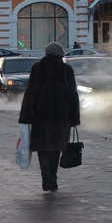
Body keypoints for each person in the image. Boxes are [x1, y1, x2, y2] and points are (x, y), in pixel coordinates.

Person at [18, 42, 80, 192]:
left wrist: (26, 115)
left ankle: (46, 177)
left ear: (46, 53)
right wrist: (74, 117)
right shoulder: (66, 69)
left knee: (43, 148)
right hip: (61, 117)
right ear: (61, 54)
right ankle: (53, 177)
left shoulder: (38, 68)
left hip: (41, 116)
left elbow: (31, 92)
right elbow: (73, 94)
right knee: (56, 148)